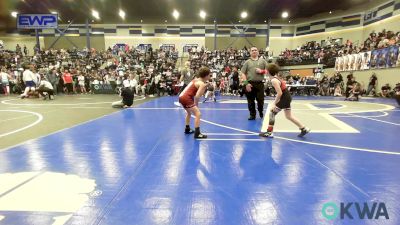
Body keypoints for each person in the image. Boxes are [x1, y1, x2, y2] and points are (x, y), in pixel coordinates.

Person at [259, 64, 310, 138]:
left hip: (285, 98)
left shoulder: (274, 80)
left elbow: (279, 93)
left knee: (272, 113)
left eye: (266, 70)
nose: (265, 71)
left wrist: (274, 103)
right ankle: (304, 128)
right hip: (287, 97)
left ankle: (269, 132)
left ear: (269, 72)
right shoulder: (275, 78)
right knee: (288, 116)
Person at [178, 66, 210, 139]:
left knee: (189, 113)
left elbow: (197, 86)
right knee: (198, 114)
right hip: (187, 98)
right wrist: (196, 106)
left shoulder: (195, 80)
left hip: (181, 97)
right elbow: (197, 96)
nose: (210, 76)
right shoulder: (201, 84)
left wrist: (205, 85)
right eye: (209, 75)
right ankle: (197, 133)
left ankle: (187, 129)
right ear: (206, 76)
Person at [241, 47, 268, 120]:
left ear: (258, 52)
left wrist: (261, 71)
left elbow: (268, 71)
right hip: (250, 84)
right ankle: (252, 115)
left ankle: (260, 111)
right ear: (250, 53)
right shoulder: (247, 62)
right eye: (252, 50)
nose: (254, 51)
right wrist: (246, 84)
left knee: (260, 100)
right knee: (250, 101)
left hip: (260, 84)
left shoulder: (263, 61)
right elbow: (243, 73)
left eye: (255, 50)